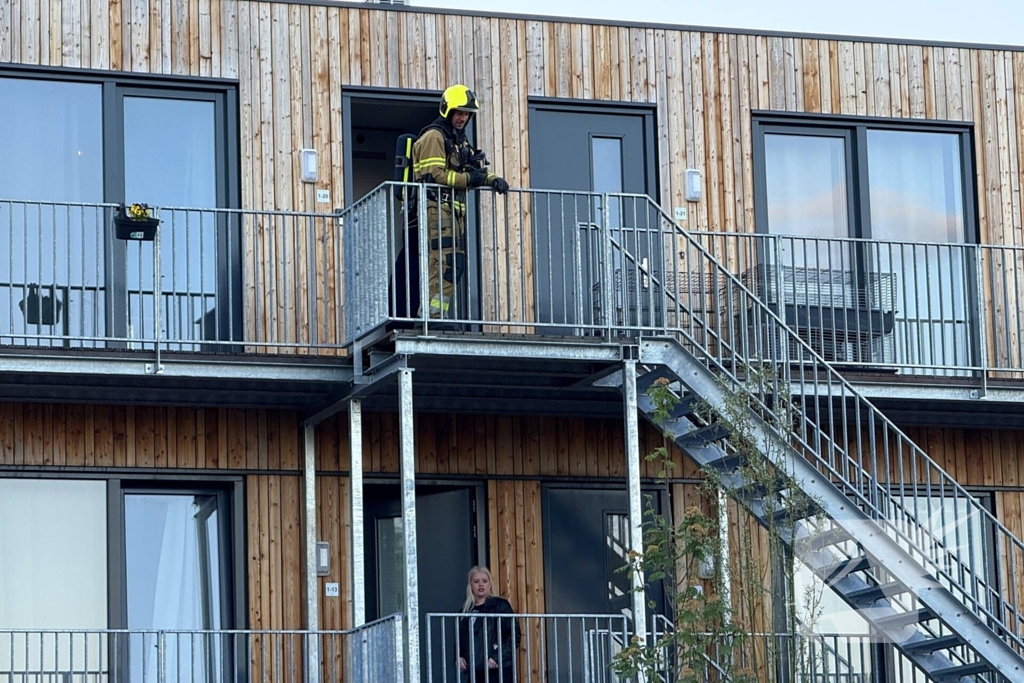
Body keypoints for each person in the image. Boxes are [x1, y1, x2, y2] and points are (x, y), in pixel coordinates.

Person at [410, 84, 509, 323]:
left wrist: (493, 179)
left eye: (466, 113)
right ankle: (431, 318)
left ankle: (435, 315)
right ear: (447, 110)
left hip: (453, 213)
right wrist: (469, 179)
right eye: (459, 112)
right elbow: (435, 176)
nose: (463, 117)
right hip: (437, 209)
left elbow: (473, 169)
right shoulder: (434, 137)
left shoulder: (459, 141)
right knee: (445, 264)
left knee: (455, 266)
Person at [457, 566, 520, 683]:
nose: (481, 584)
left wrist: (496, 657)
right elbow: (460, 638)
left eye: (484, 581)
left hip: (498, 669)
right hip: (476, 669)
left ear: (489, 584)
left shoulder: (501, 605)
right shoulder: (465, 611)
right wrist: (459, 656)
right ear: (470, 585)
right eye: (476, 581)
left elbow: (513, 635)